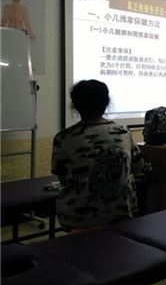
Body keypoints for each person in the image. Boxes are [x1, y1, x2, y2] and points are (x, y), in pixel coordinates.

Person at [51, 80, 143, 230]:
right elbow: (138, 168)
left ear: (75, 105)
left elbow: (63, 178)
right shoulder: (123, 132)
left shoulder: (64, 138)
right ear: (106, 103)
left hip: (78, 218)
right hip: (121, 213)